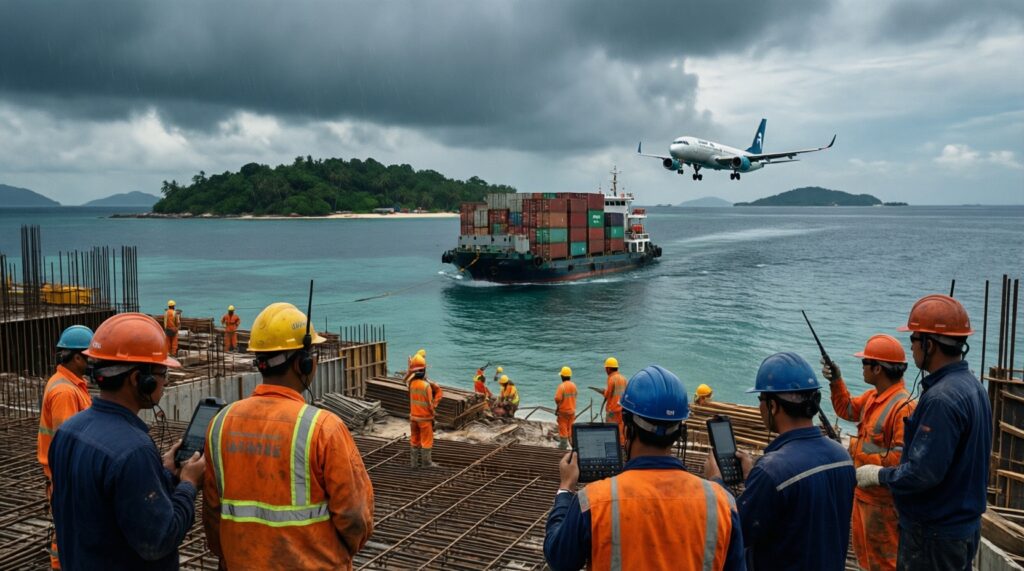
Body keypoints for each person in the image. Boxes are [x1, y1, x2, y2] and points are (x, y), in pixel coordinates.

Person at [203, 302, 374, 570]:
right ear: (303, 364)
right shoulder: (323, 429)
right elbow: (354, 517)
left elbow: (213, 513)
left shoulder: (220, 423)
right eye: (313, 353)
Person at [545, 365, 745, 571]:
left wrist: (565, 489)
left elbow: (559, 560)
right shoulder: (723, 503)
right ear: (679, 433)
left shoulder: (593, 501)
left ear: (628, 428)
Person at [48, 313, 203, 570]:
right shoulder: (134, 450)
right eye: (162, 372)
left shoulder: (68, 432)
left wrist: (163, 474)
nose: (164, 381)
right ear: (138, 380)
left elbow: (103, 506)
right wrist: (189, 484)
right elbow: (159, 539)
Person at [855, 294, 991, 570]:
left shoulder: (941, 399)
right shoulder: (973, 387)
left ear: (929, 344)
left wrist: (879, 475)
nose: (912, 348)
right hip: (961, 528)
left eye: (914, 340)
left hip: (934, 535)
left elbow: (922, 473)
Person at [706, 351, 855, 571]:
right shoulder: (842, 457)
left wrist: (716, 484)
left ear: (773, 406)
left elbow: (732, 537)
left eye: (761, 400)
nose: (760, 407)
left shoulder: (772, 471)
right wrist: (753, 476)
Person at [822, 334, 914, 571]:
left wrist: (854, 451)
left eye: (865, 363)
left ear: (878, 368)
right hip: (863, 495)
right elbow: (847, 408)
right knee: (866, 560)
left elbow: (901, 460)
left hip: (884, 504)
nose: (862, 367)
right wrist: (836, 381)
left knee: (885, 562)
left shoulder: (903, 406)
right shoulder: (874, 398)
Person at [37, 325, 93, 570]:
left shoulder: (71, 383)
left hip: (63, 475)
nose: (94, 361)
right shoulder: (64, 392)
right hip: (65, 476)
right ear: (77, 357)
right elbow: (68, 443)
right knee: (69, 530)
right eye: (89, 356)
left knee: (68, 528)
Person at [408, 353, 443, 468]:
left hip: (413, 418)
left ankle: (414, 463)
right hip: (424, 419)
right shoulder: (426, 386)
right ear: (423, 371)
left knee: (414, 440)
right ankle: (426, 463)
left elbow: (408, 378)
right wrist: (437, 390)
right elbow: (430, 404)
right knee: (426, 441)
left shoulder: (411, 384)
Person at [602, 357, 627, 441]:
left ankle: (612, 446)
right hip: (621, 409)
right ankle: (622, 445)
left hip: (612, 410)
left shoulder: (611, 379)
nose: (605, 370)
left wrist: (604, 392)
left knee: (610, 430)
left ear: (609, 368)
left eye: (606, 368)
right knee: (620, 429)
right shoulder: (623, 378)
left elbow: (608, 395)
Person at [554, 366, 578, 450]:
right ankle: (573, 446)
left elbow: (557, 398)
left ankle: (563, 446)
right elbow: (575, 395)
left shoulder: (562, 386)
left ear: (562, 376)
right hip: (572, 411)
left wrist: (559, 405)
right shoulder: (574, 385)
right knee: (570, 428)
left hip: (563, 412)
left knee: (563, 427)